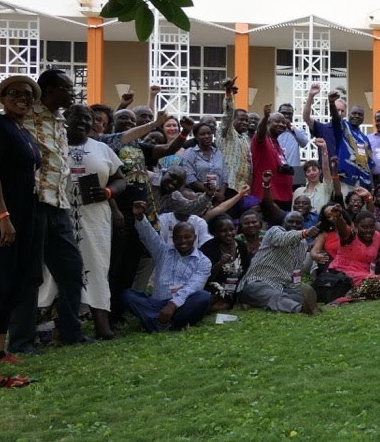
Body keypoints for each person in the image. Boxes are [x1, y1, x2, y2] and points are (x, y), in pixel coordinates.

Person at [10, 69, 92, 352]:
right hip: (33, 203)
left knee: (71, 269)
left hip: (59, 205)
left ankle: (70, 332)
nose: (73, 93)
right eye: (67, 88)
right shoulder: (25, 114)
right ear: (49, 90)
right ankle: (21, 340)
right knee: (31, 274)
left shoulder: (59, 118)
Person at [0, 76, 42, 388]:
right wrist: (2, 215)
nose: (23, 98)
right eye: (15, 93)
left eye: (28, 95)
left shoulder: (23, 131)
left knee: (12, 282)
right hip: (0, 217)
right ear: (2, 97)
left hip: (25, 215)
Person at [45, 105, 126, 340]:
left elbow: (121, 180)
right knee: (57, 271)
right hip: (60, 215)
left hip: (95, 218)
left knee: (97, 266)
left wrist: (109, 192)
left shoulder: (102, 148)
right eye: (76, 117)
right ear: (66, 119)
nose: (82, 122)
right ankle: (57, 327)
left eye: (87, 118)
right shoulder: (54, 146)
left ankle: (102, 325)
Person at [121, 200, 212, 332]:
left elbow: (194, 286)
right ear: (172, 239)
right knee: (128, 295)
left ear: (195, 237)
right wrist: (140, 217)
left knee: (203, 297)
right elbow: (149, 236)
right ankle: (166, 323)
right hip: (157, 304)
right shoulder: (163, 251)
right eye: (178, 238)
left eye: (187, 237)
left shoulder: (203, 261)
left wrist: (173, 304)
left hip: (181, 304)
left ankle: (157, 322)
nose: (183, 241)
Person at [237, 211, 320, 314]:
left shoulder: (302, 243)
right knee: (271, 295)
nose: (294, 225)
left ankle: (258, 303)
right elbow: (283, 239)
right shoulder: (274, 231)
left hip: (281, 286)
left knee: (298, 294)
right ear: (283, 222)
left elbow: (296, 268)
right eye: (290, 221)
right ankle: (299, 309)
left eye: (298, 223)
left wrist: (295, 285)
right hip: (257, 282)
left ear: (302, 225)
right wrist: (304, 233)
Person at [321, 207, 380, 301]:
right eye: (364, 227)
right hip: (344, 274)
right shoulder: (350, 236)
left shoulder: (377, 236)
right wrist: (339, 217)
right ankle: (349, 295)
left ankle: (356, 293)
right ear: (356, 226)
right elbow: (343, 228)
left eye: (371, 227)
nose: (368, 230)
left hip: (364, 275)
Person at [200, 216, 252, 312]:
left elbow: (247, 270)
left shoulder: (241, 246)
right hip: (215, 285)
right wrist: (220, 263)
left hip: (237, 285)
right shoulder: (207, 248)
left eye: (232, 229)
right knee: (215, 295)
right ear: (215, 233)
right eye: (224, 231)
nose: (229, 234)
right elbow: (206, 276)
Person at [328, 91, 374, 192]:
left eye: (360, 114)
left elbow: (369, 165)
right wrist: (331, 103)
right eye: (354, 113)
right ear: (348, 114)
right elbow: (335, 117)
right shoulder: (342, 127)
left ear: (363, 117)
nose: (357, 116)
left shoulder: (365, 139)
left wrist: (372, 187)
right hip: (344, 181)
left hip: (361, 183)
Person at [250, 103, 293, 209]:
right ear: (268, 123)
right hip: (269, 196)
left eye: (283, 122)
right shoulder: (261, 139)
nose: (282, 124)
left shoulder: (276, 143)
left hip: (284, 196)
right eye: (277, 121)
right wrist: (265, 117)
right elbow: (260, 132)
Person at [216, 77, 253, 196]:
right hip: (227, 187)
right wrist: (228, 93)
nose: (245, 123)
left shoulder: (245, 139)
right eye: (241, 119)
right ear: (233, 120)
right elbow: (228, 113)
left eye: (247, 121)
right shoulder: (227, 132)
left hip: (242, 188)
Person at [182, 121, 226, 198]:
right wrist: (214, 194)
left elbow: (225, 176)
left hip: (219, 197)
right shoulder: (190, 153)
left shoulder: (218, 153)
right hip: (198, 196)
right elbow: (190, 180)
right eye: (202, 134)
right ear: (196, 137)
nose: (207, 136)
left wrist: (221, 195)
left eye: (209, 133)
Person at [275, 102, 310, 174]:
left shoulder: (298, 131)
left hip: (293, 171)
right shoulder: (273, 131)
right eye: (284, 113)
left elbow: (304, 142)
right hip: (276, 170)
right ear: (278, 114)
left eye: (289, 114)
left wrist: (290, 127)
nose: (287, 116)